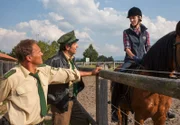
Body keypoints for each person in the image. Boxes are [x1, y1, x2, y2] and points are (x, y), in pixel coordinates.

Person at [0, 39, 100, 125]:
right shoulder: (12, 77)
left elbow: (66, 73)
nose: (42, 54)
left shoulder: (44, 71)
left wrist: (91, 72)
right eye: (39, 52)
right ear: (29, 58)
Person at [45, 30, 101, 125]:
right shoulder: (55, 61)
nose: (77, 46)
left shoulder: (70, 60)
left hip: (71, 98)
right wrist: (91, 72)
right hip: (61, 102)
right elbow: (70, 74)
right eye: (75, 44)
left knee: (83, 120)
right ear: (67, 47)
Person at [111, 7, 151, 122]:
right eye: (130, 18)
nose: (131, 20)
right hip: (130, 60)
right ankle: (114, 109)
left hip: (143, 60)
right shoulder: (126, 32)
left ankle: (164, 108)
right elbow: (127, 48)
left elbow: (148, 47)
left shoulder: (146, 33)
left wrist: (148, 58)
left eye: (133, 18)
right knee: (118, 78)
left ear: (139, 18)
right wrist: (134, 58)